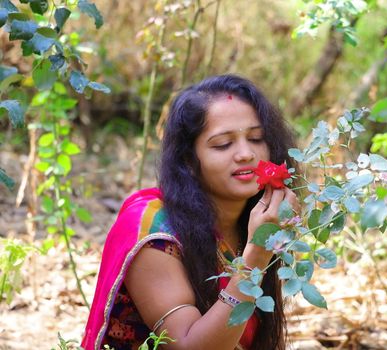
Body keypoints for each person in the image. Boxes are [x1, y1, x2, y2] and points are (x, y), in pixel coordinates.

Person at [82, 74, 299, 350]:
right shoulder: (154, 230)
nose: (246, 153)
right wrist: (256, 254)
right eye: (223, 144)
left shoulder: (255, 216)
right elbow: (188, 346)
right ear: (188, 159)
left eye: (256, 138)